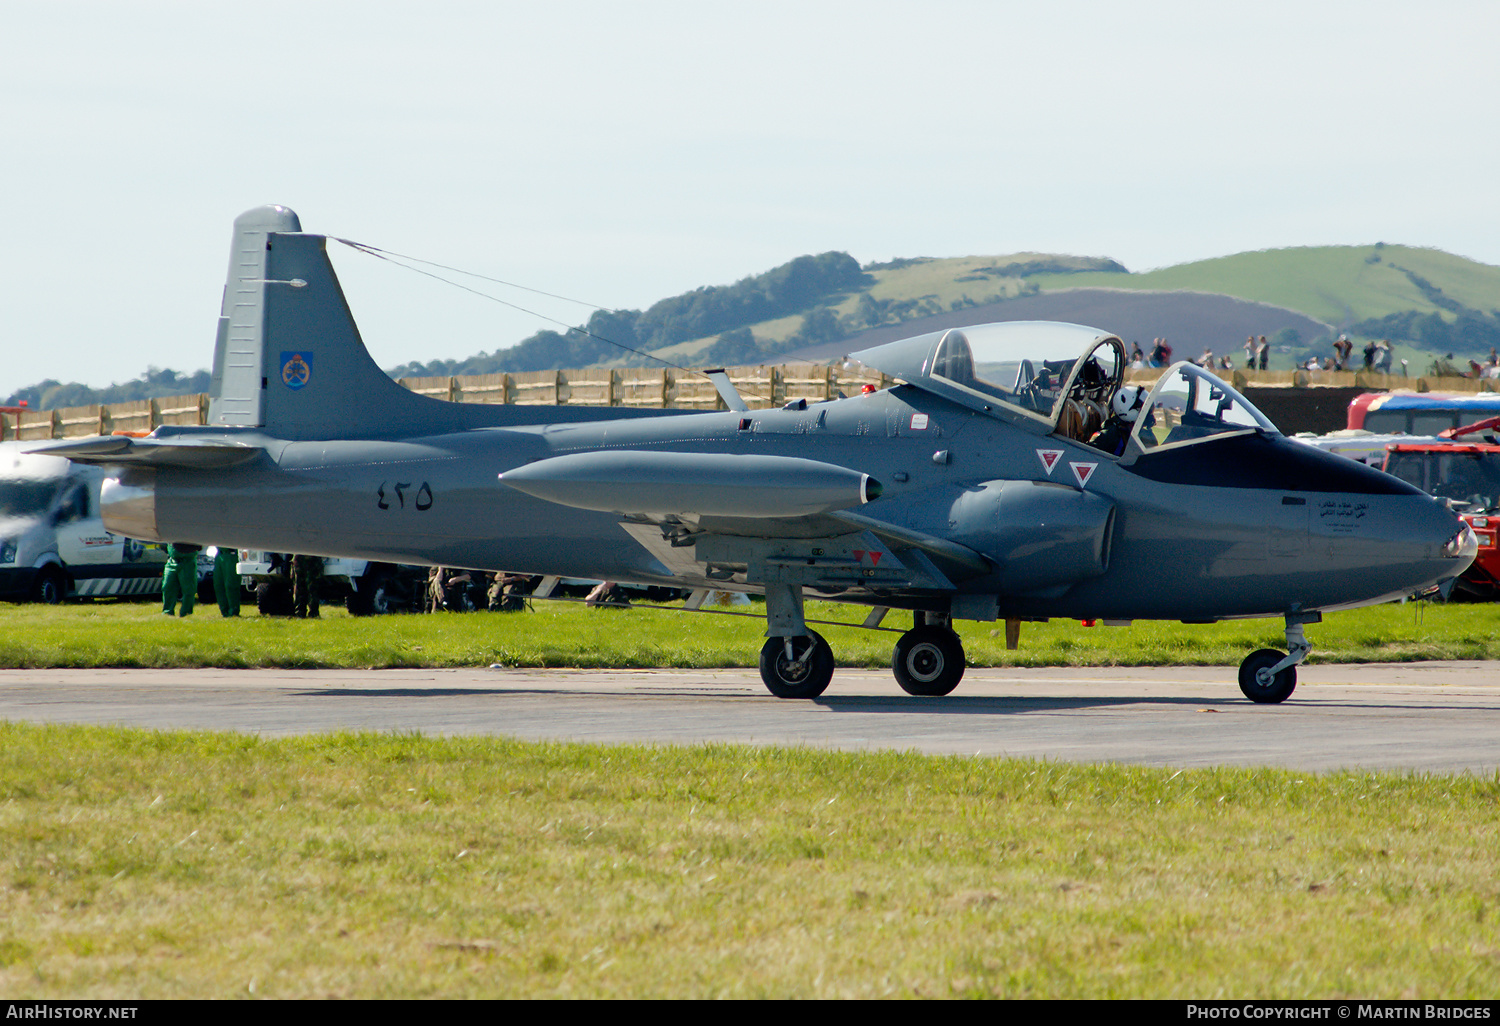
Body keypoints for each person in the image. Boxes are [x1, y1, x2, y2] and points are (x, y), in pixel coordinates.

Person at [161, 542, 202, 616]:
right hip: (172, 560)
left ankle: (186, 613)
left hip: (187, 561)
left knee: (188, 589)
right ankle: (167, 612)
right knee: (167, 587)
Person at [212, 545, 240, 617]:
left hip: (231, 554)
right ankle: (224, 611)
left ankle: (233, 610)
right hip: (219, 554)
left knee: (230, 584)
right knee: (218, 584)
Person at [291, 553, 322, 618]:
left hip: (303, 557)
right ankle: (312, 613)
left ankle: (301, 612)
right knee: (310, 588)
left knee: (302, 588)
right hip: (311, 557)